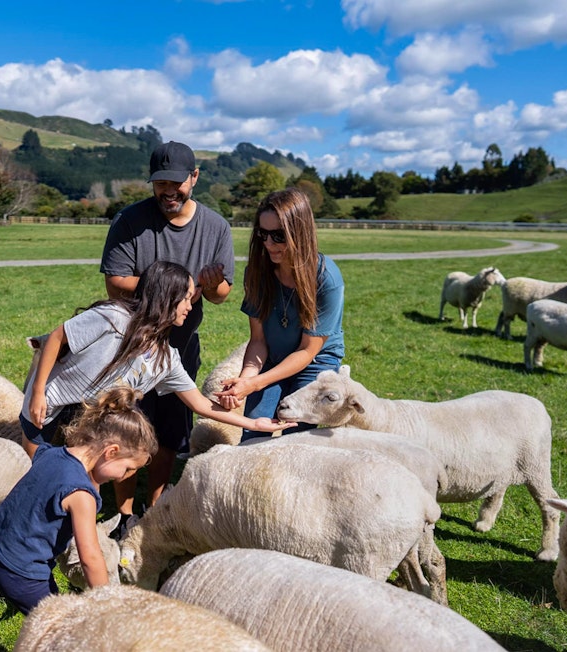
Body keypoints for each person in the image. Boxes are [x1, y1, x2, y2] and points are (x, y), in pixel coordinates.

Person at [22, 260, 289, 458]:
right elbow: (57, 337)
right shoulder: (113, 318)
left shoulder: (165, 358)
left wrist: (254, 423)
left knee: (72, 478)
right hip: (50, 407)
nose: (189, 305)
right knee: (33, 473)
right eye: (185, 298)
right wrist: (37, 394)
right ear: (166, 299)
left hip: (90, 420)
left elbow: (200, 404)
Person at [100, 140, 235, 525]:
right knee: (126, 426)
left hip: (181, 345)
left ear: (194, 178)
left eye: (176, 183)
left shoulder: (215, 227)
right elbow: (115, 283)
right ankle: (124, 512)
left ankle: (154, 507)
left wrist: (210, 285)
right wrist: (175, 286)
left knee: (170, 434)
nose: (168, 191)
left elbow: (223, 294)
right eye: (160, 183)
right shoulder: (130, 221)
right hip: (131, 344)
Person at [0, 387, 156, 615]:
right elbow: (91, 559)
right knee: (60, 628)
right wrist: (108, 604)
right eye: (127, 469)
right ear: (111, 451)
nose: (124, 477)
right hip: (24, 573)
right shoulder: (81, 495)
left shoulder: (52, 454)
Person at [214, 187, 345, 441]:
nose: (268, 244)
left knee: (296, 441)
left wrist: (255, 384)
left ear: (300, 233)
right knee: (253, 435)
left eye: (278, 236)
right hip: (272, 357)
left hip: (315, 363)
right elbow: (259, 341)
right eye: (263, 234)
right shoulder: (257, 272)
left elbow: (308, 351)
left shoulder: (327, 280)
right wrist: (245, 382)